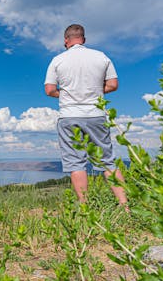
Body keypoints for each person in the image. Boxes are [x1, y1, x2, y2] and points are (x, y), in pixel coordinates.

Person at [44, 24, 128, 209]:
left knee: (76, 163)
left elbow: (49, 90)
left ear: (66, 40)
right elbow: (113, 84)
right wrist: (94, 93)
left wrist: (67, 94)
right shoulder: (101, 57)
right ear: (84, 39)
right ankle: (125, 206)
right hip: (96, 114)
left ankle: (84, 207)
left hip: (69, 116)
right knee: (107, 160)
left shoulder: (58, 60)